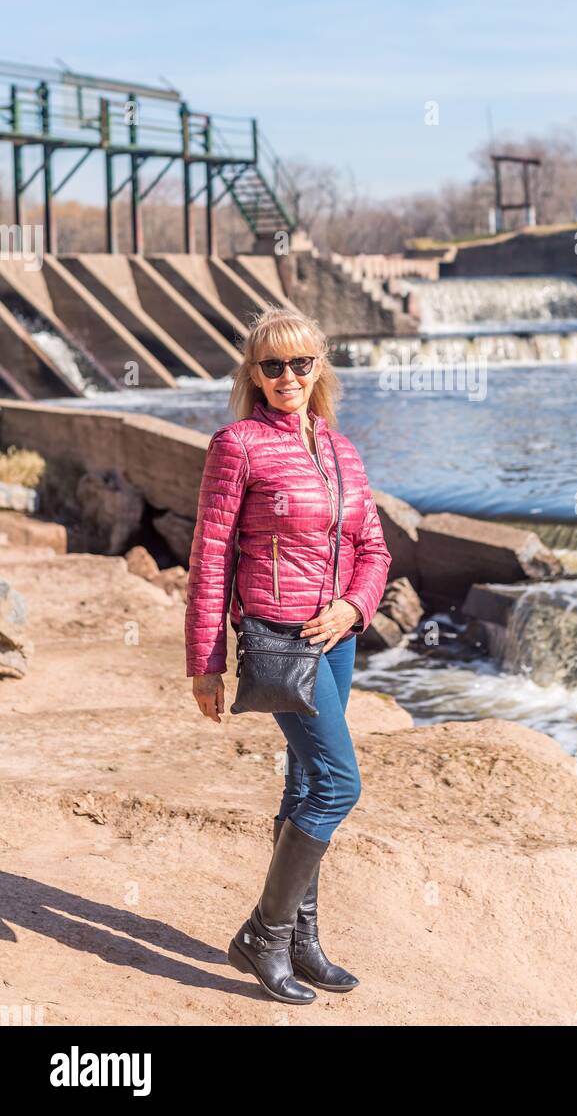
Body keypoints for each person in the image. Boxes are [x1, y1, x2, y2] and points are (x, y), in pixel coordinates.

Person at [184, 303, 392, 1004]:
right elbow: (210, 559)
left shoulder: (341, 450)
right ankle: (264, 935)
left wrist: (355, 605)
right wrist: (206, 661)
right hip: (277, 640)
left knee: (305, 786)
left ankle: (302, 941)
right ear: (255, 373)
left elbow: (374, 547)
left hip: (335, 639)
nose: (288, 376)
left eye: (301, 362)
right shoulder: (237, 444)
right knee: (339, 784)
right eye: (272, 365)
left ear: (318, 367)